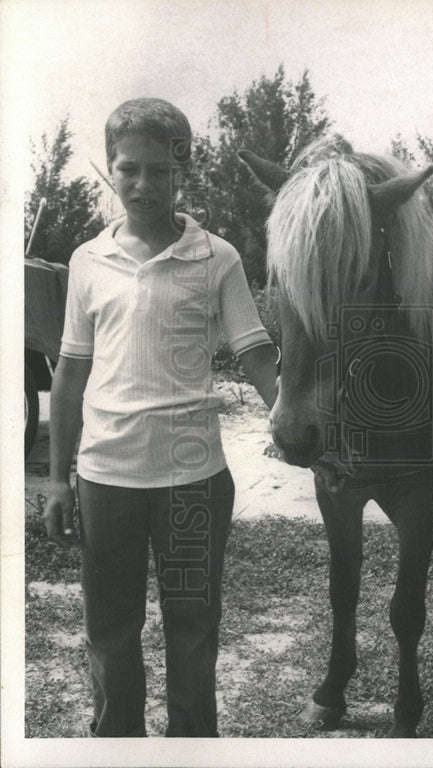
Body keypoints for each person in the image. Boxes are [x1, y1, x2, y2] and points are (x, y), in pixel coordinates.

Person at [43, 97, 278, 737]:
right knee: (110, 630)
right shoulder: (88, 260)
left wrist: (288, 417)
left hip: (193, 482)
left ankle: (192, 746)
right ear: (111, 171)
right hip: (106, 479)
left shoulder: (218, 257)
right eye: (128, 169)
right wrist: (59, 480)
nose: (143, 185)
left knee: (193, 627)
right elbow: (70, 373)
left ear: (183, 170)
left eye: (159, 170)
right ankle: (116, 744)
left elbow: (254, 349)